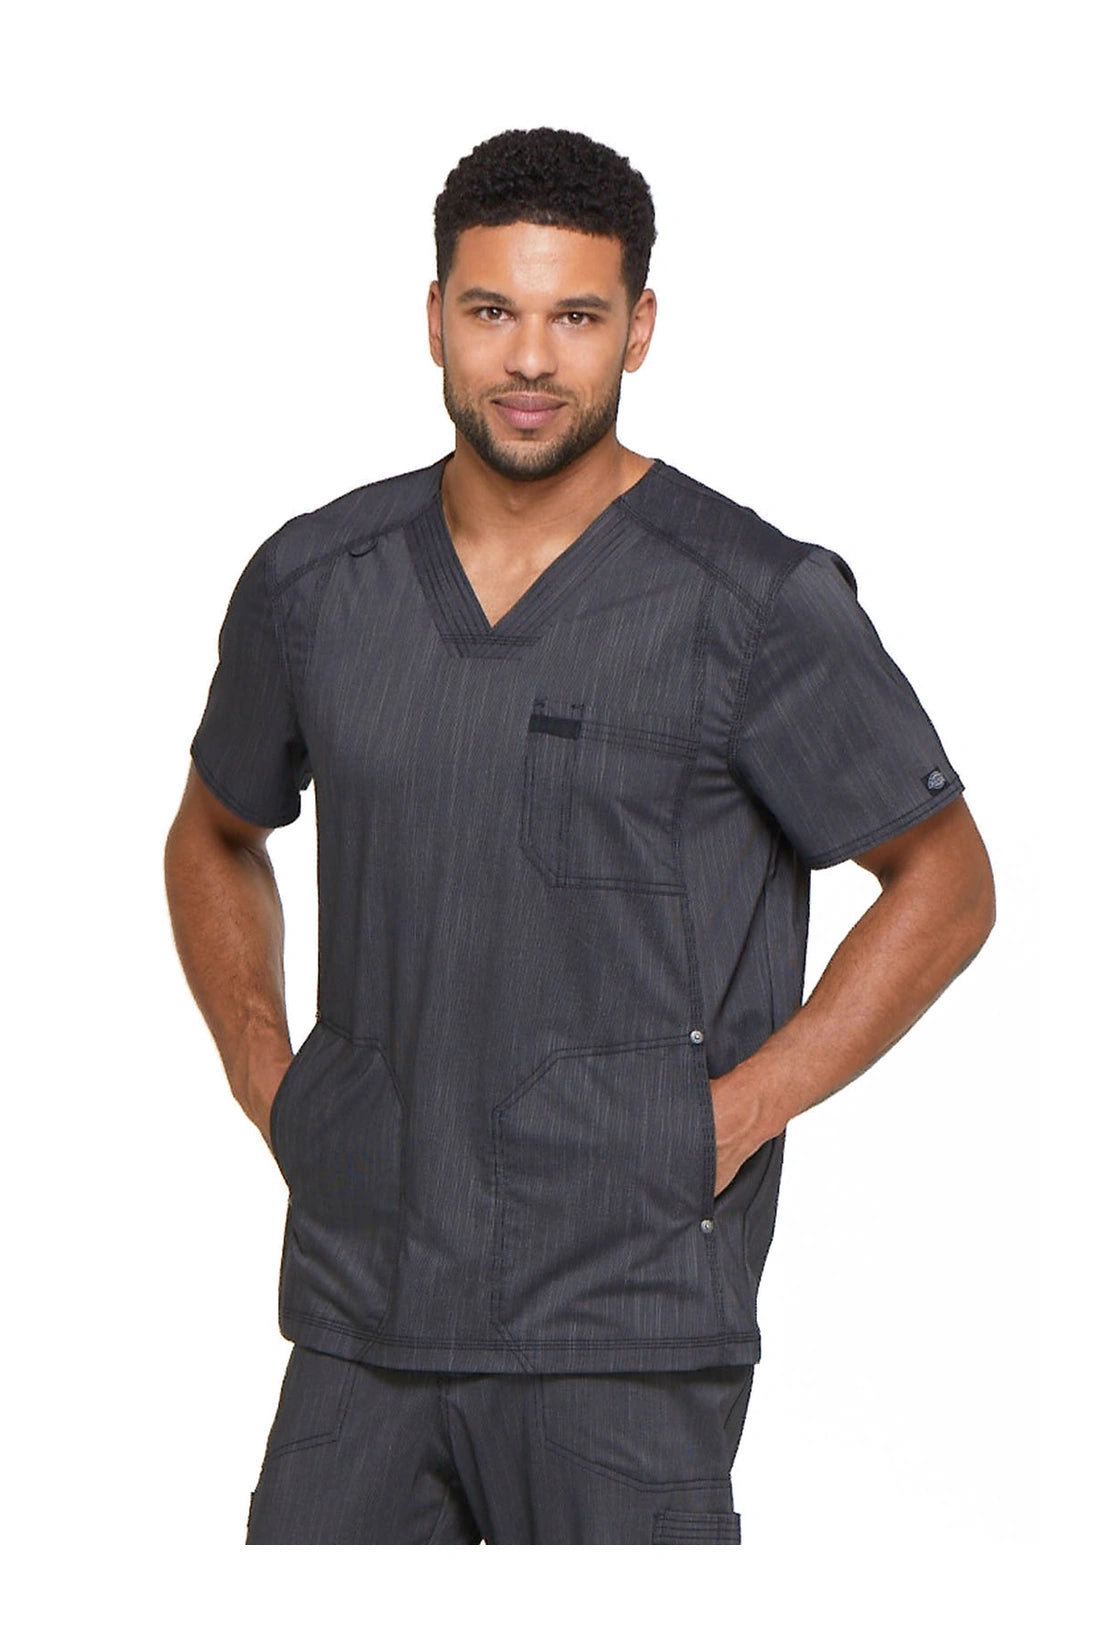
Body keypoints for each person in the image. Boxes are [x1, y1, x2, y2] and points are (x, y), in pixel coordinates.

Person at [164, 126, 996, 1545]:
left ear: (640, 329)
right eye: (494, 310)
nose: (531, 359)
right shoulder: (317, 583)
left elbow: (948, 880)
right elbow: (214, 832)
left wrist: (731, 1116)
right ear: (434, 316)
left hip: (625, 1324)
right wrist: (268, 1075)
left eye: (578, 316)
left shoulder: (750, 598)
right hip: (363, 1309)